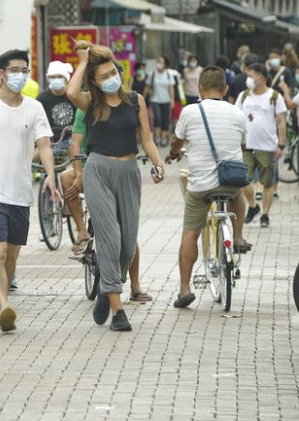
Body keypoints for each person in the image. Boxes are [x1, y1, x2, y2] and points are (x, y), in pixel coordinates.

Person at [66, 41, 163, 332]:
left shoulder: (135, 100)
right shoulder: (91, 103)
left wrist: (158, 163)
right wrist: (83, 61)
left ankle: (107, 290)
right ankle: (118, 310)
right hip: (99, 171)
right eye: (103, 76)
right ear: (94, 83)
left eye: (113, 73)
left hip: (129, 171)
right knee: (109, 236)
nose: (111, 78)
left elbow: (146, 138)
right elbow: (71, 92)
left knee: (127, 243)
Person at [0, 49, 58, 333]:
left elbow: (43, 144)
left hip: (20, 191)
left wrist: (51, 176)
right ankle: (2, 306)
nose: (20, 75)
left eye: (24, 69)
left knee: (12, 255)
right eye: (14, 70)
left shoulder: (34, 107)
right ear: (1, 74)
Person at [167, 66, 248, 308]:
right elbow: (243, 144)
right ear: (225, 89)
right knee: (239, 195)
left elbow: (177, 141)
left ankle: (184, 290)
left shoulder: (190, 112)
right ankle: (239, 236)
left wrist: (173, 153)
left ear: (200, 89)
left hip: (201, 184)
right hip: (231, 181)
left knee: (190, 233)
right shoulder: (237, 113)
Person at [61, 103, 152, 302]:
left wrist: (157, 163)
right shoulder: (85, 107)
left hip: (120, 172)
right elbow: (75, 142)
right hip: (90, 166)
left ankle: (133, 284)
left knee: (127, 235)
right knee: (65, 178)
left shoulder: (128, 106)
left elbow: (145, 138)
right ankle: (81, 230)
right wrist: (78, 173)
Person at [235, 63, 287, 227]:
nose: (248, 79)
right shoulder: (243, 96)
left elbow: (281, 122)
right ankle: (253, 206)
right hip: (246, 147)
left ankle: (265, 214)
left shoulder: (274, 96)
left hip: (268, 147)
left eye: (251, 76)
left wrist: (281, 145)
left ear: (261, 78)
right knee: (242, 180)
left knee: (268, 183)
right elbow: (235, 119)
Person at [37, 61, 76, 153]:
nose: (56, 79)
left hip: (72, 140)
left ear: (66, 78)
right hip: (50, 142)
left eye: (59, 76)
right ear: (48, 78)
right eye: (53, 77)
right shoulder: (42, 98)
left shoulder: (73, 96)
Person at [144, 55, 175, 146]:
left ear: (165, 64)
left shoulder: (169, 75)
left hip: (166, 100)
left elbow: (171, 88)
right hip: (155, 100)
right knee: (157, 118)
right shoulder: (152, 74)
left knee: (165, 120)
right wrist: (142, 97)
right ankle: (156, 137)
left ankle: (163, 138)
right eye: (157, 62)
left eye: (160, 62)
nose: (158, 64)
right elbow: (147, 87)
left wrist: (172, 100)